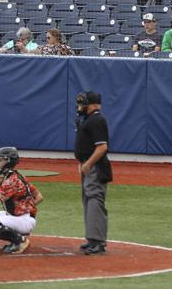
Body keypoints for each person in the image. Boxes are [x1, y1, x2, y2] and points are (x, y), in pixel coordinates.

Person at [73, 92, 112, 255]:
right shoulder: (89, 119)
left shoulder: (97, 120)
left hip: (95, 167)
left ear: (95, 105)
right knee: (89, 200)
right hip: (88, 165)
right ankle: (92, 239)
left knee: (94, 199)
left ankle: (98, 242)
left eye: (84, 104)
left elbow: (102, 147)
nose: (81, 107)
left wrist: (88, 163)